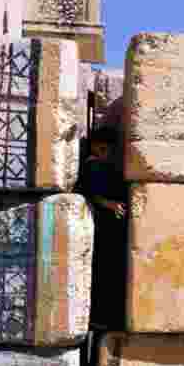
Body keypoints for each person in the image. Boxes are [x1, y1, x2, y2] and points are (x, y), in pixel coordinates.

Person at [75, 126, 128, 331]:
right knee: (104, 272)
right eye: (103, 147)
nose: (107, 152)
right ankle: (99, 318)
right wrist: (111, 205)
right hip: (103, 226)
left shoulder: (102, 165)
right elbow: (92, 194)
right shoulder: (93, 166)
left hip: (110, 227)